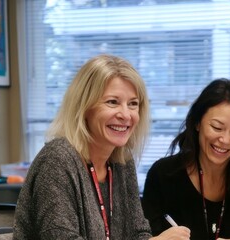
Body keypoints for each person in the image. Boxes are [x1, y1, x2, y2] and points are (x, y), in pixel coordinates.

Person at [13, 54, 190, 239]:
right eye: (112, 102)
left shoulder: (122, 161)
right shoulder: (57, 160)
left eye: (133, 104)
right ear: (84, 107)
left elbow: (139, 233)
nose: (126, 115)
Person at [142, 78, 230, 240]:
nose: (225, 140)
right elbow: (145, 235)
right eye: (217, 127)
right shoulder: (163, 175)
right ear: (197, 122)